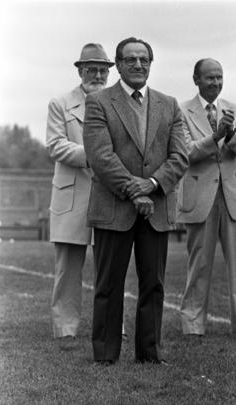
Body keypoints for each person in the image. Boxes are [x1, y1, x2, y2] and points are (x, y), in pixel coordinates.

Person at [83, 37, 189, 365]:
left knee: (154, 285)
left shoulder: (169, 104)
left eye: (144, 59)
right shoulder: (99, 102)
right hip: (114, 206)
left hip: (155, 207)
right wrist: (135, 191)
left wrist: (153, 185)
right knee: (109, 285)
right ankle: (105, 353)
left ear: (151, 64)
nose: (138, 65)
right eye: (131, 59)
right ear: (119, 64)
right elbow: (100, 156)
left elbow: (179, 156)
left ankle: (149, 353)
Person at [178, 58, 236, 340]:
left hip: (233, 196)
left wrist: (229, 133)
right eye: (209, 78)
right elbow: (186, 153)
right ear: (196, 79)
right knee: (199, 263)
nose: (215, 82)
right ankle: (193, 324)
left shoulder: (235, 110)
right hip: (199, 196)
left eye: (219, 77)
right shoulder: (180, 111)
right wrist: (214, 136)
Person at [46, 43, 120, 347]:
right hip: (71, 196)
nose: (98, 74)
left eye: (103, 69)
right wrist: (94, 156)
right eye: (92, 69)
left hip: (108, 194)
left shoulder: (118, 104)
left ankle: (114, 326)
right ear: (80, 70)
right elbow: (55, 146)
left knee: (111, 266)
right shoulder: (60, 103)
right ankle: (65, 327)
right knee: (68, 268)